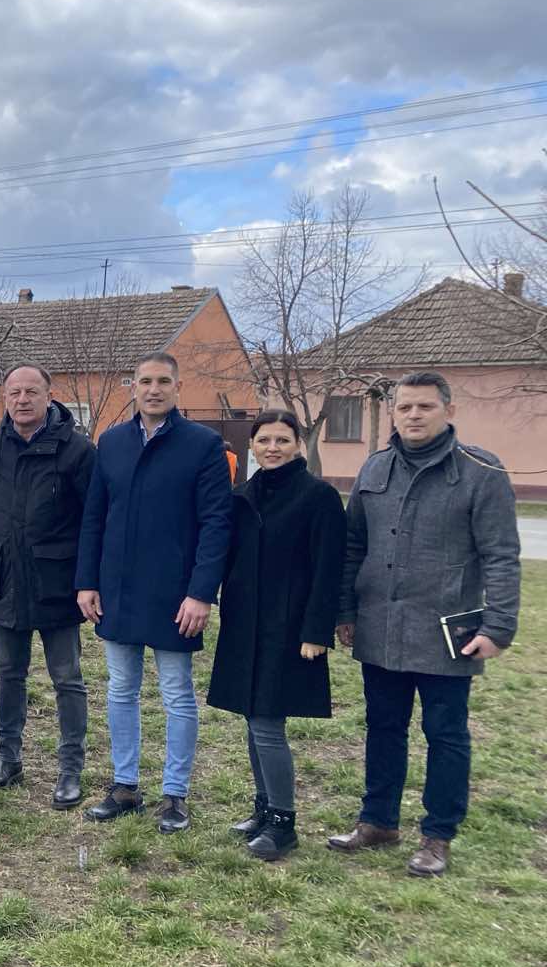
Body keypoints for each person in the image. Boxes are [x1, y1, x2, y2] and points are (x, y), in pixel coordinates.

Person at [329, 371, 521, 876]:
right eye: (405, 407)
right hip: (380, 623)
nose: (413, 415)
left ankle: (438, 835)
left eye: (425, 407)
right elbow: (352, 546)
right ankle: (378, 821)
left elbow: (501, 555)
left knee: (445, 733)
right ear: (394, 412)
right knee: (383, 727)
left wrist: (498, 626)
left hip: (447, 630)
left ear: (448, 411)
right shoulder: (375, 468)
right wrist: (345, 611)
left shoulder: (481, 472)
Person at [75, 351, 232, 833]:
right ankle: (125, 786)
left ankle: (175, 794)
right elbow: (95, 516)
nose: (154, 389)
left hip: (175, 595)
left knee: (177, 695)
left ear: (177, 388)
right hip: (117, 590)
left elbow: (216, 523)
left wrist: (201, 593)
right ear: (133, 387)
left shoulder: (203, 444)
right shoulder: (112, 441)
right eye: (145, 381)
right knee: (120, 689)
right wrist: (86, 581)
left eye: (163, 381)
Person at [207, 410, 345, 860]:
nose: (272, 448)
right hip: (245, 624)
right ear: (252, 445)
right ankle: (263, 808)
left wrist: (316, 630)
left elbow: (329, 569)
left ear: (298, 444)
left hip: (290, 629)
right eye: (264, 440)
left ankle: (283, 823)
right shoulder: (243, 495)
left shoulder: (318, 497)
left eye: (282, 440)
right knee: (253, 719)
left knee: (268, 724)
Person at [0, 365, 96, 808]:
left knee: (67, 679)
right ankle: (8, 759)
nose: (22, 400)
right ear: (5, 397)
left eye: (31, 392)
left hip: (57, 584)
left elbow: (94, 520)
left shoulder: (77, 450)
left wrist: (89, 580)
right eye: (14, 392)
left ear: (49, 395)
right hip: (3, 581)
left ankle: (70, 769)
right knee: (9, 674)